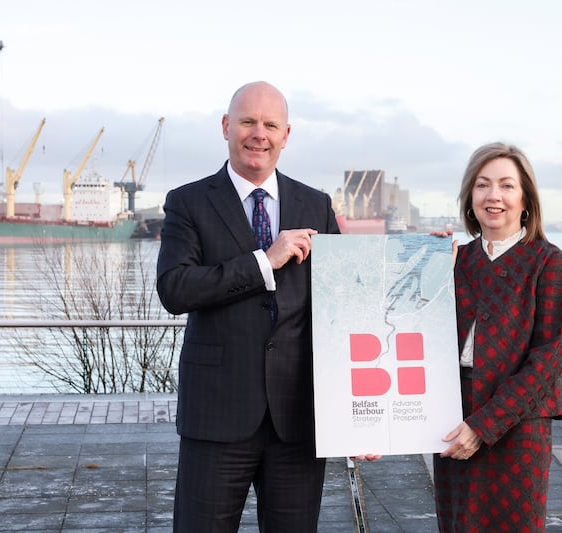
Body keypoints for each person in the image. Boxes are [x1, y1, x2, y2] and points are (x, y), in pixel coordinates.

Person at [156, 81, 339, 532]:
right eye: (248, 122)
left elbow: (345, 299)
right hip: (216, 417)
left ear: (286, 135)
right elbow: (174, 289)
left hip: (298, 420)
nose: (259, 133)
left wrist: (425, 261)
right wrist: (264, 261)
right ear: (226, 127)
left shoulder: (315, 204)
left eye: (270, 124)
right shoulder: (188, 201)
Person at [433, 142, 562, 532]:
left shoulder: (548, 262)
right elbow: (410, 329)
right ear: (470, 196)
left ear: (525, 198)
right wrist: (422, 259)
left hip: (517, 427)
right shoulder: (454, 261)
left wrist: (484, 425)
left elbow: (548, 358)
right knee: (458, 524)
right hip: (453, 415)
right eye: (482, 185)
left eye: (507, 186)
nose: (494, 196)